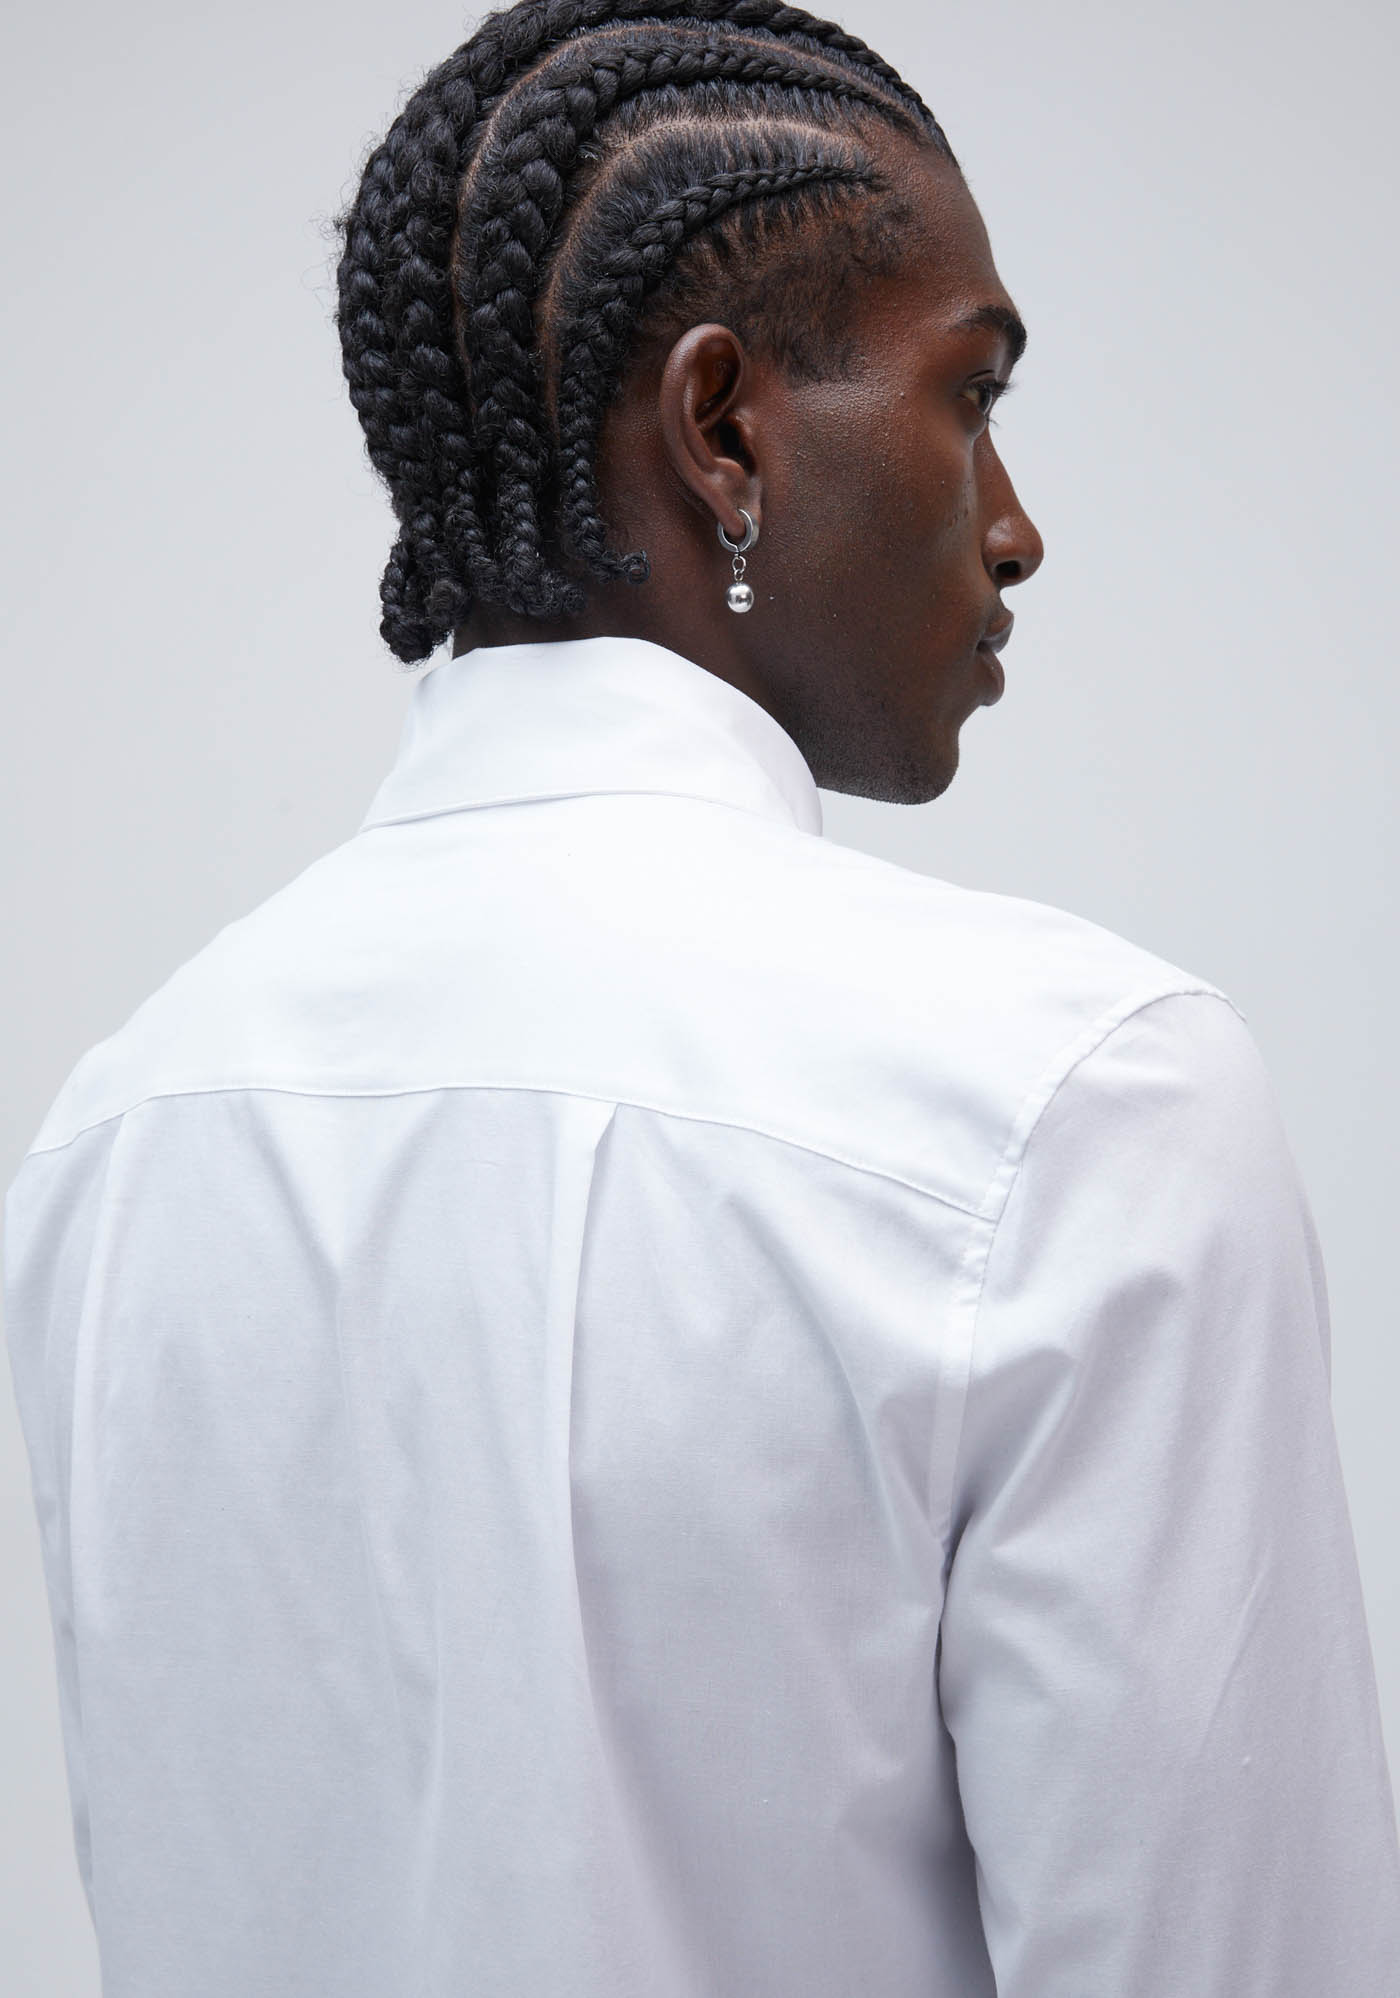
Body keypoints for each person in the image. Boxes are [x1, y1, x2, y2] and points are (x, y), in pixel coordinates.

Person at [6, 1, 1399, 1992]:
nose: (1014, 527)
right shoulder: (1068, 1108)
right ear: (723, 427)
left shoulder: (125, 1126)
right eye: (970, 395)